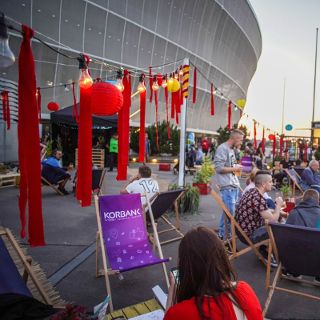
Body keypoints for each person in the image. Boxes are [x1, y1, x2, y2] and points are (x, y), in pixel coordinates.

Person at [164, 227, 263, 320]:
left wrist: (172, 295)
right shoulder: (245, 290)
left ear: (186, 268)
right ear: (222, 259)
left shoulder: (180, 313)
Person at [235, 171, 284, 265]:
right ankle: (273, 255)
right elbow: (272, 220)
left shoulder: (252, 191)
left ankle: (264, 250)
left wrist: (279, 212)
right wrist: (278, 206)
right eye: (270, 181)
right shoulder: (258, 198)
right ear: (263, 184)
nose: (272, 184)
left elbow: (263, 210)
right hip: (249, 235)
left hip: (241, 231)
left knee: (278, 221)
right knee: (280, 227)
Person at [213, 129, 243, 240]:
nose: (241, 143)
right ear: (234, 138)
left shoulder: (231, 149)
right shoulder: (222, 148)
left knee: (228, 212)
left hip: (233, 184)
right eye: (240, 140)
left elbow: (230, 165)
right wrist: (234, 168)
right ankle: (227, 239)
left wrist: (236, 166)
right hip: (227, 186)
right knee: (230, 214)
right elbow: (219, 168)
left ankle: (222, 235)